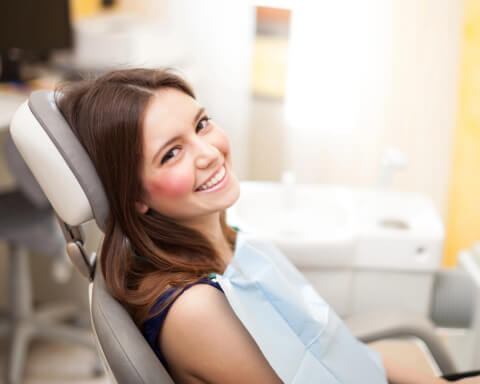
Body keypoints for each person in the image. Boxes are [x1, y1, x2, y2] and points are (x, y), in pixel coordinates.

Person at [56, 68, 479, 384]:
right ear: (135, 196)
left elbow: (333, 346)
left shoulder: (230, 243)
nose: (208, 153)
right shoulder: (194, 310)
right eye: (171, 153)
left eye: (201, 124)